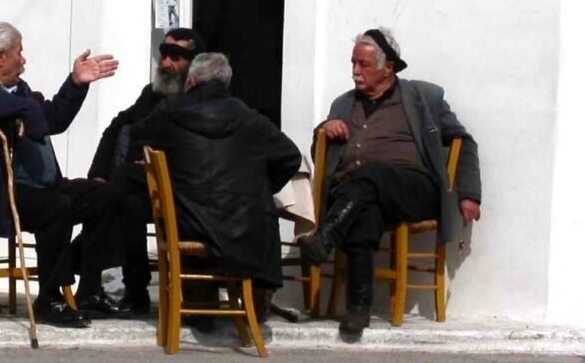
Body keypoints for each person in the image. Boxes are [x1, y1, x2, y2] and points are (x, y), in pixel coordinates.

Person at [0, 21, 131, 327]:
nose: (24, 59)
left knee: (104, 197)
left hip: (35, 188)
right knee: (56, 208)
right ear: (1, 57)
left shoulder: (19, 90)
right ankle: (50, 298)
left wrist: (77, 83)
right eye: (19, 52)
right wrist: (28, 115)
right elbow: (12, 110)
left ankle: (90, 290)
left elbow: (52, 119)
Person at [299, 27, 482, 342]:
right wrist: (325, 129)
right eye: (353, 63)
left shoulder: (423, 97)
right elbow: (323, 156)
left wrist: (469, 193)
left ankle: (326, 237)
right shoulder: (343, 104)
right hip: (357, 192)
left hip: (413, 188)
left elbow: (464, 141)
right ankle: (358, 309)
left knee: (370, 174)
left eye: (363, 65)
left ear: (389, 67)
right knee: (363, 212)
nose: (356, 71)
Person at [131, 52, 303, 290]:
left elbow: (136, 135)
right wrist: (260, 187)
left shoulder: (169, 112)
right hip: (242, 229)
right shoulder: (251, 119)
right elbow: (291, 157)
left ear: (190, 81)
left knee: (129, 193)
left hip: (187, 223)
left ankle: (150, 295)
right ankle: (243, 311)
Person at [86, 28, 204, 312]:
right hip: (150, 186)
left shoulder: (203, 97)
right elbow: (118, 126)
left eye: (176, 57)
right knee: (128, 204)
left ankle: (79, 262)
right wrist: (99, 174)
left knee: (119, 184)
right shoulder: (152, 95)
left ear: (194, 63)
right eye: (164, 54)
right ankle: (136, 292)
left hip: (188, 192)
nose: (166, 64)